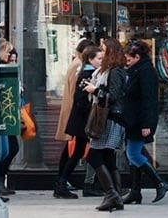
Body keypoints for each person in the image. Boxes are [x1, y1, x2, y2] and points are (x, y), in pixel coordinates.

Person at [121, 39, 168, 204]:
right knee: (134, 155)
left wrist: (146, 124)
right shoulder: (137, 70)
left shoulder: (145, 72)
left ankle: (159, 183)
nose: (127, 62)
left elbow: (149, 100)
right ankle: (135, 191)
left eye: (129, 59)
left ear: (137, 57)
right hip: (133, 119)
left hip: (139, 120)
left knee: (133, 154)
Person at [83, 37, 128, 212]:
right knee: (108, 158)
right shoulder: (108, 71)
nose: (101, 52)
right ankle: (114, 195)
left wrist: (96, 90)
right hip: (108, 117)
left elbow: (113, 96)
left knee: (94, 157)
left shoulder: (115, 71)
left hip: (110, 118)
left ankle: (112, 194)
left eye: (103, 48)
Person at [54, 39, 96, 199]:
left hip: (75, 113)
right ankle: (62, 182)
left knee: (74, 150)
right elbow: (77, 94)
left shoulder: (77, 64)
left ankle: (62, 182)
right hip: (77, 114)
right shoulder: (81, 67)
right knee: (75, 150)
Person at [0, 42, 20, 197]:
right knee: (3, 151)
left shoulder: (7, 69)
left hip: (8, 114)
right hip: (2, 116)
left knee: (9, 149)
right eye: (8, 54)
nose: (10, 57)